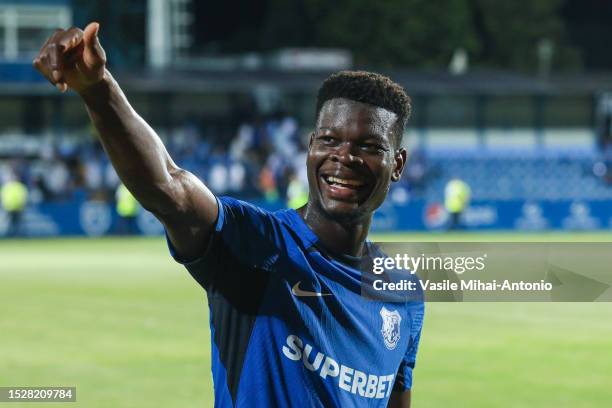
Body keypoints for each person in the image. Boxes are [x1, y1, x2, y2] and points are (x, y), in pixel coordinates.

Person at [33, 23, 424, 408]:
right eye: (329, 140)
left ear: (398, 164)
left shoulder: (404, 295)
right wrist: (98, 90)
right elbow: (169, 185)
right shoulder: (259, 245)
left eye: (370, 146)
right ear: (310, 147)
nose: (345, 157)